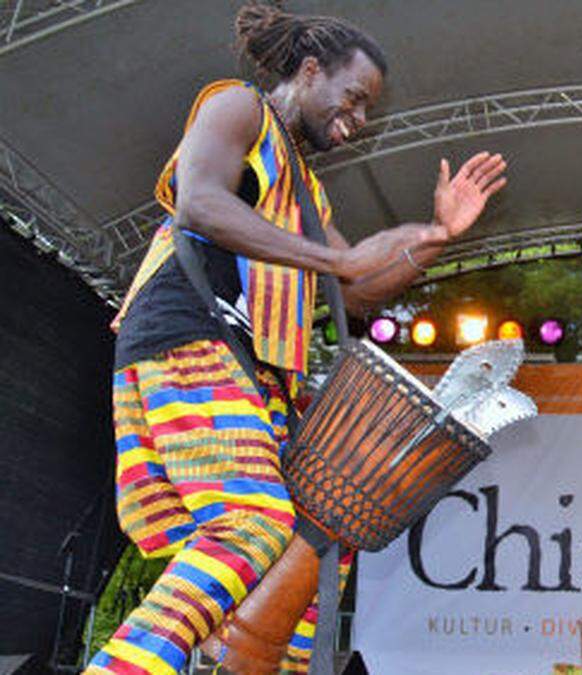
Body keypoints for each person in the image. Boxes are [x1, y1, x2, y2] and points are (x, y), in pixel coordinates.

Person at [86, 5, 506, 674]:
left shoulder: (305, 187)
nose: (359, 118)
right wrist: (336, 261)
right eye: (354, 97)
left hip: (248, 368)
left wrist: (436, 235)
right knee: (253, 523)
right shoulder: (237, 109)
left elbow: (361, 286)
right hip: (189, 336)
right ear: (310, 71)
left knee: (299, 574)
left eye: (366, 107)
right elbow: (198, 201)